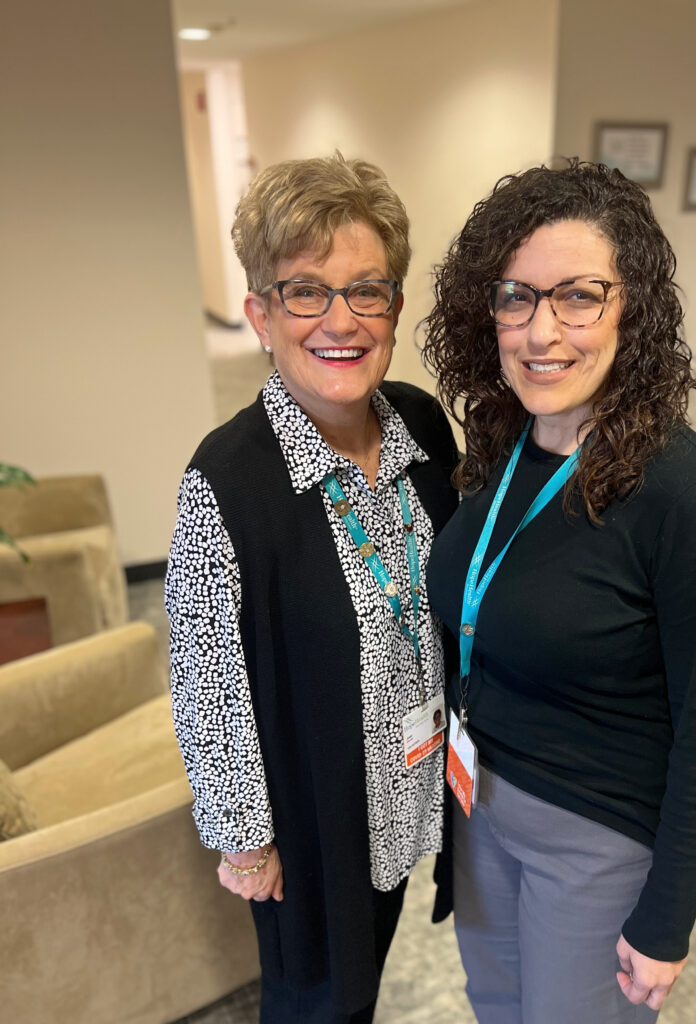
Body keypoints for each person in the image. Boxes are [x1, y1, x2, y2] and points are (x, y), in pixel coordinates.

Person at [422, 159, 696, 1023]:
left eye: (579, 296)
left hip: (595, 836)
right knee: (494, 1006)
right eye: (515, 297)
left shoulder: (684, 497)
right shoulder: (502, 446)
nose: (542, 332)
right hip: (481, 805)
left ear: (630, 308)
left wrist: (666, 920)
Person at [165, 154, 459, 1024]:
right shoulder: (228, 478)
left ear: (396, 308)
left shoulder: (420, 425)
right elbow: (207, 682)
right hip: (310, 823)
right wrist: (247, 844)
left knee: (365, 975)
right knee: (317, 1003)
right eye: (305, 291)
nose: (341, 320)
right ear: (260, 313)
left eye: (367, 290)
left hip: (406, 792)